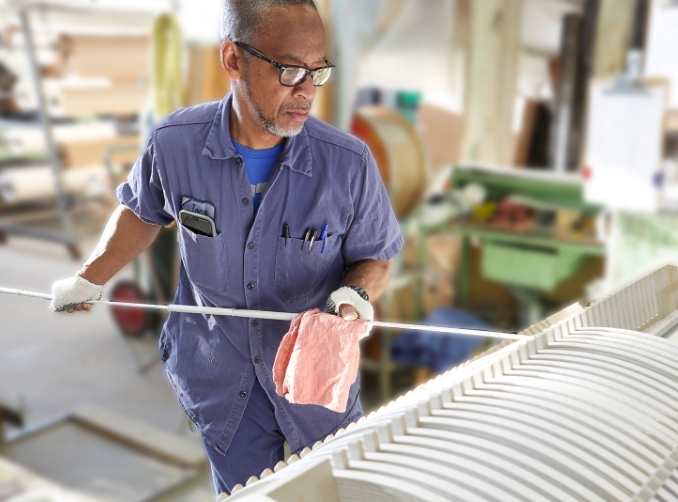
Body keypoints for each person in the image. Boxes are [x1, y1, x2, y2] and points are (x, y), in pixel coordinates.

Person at [49, 0, 403, 495]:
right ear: (233, 59)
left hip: (315, 375)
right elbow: (142, 212)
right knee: (244, 494)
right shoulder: (174, 146)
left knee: (329, 490)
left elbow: (377, 255)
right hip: (219, 372)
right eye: (291, 71)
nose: (306, 93)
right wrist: (90, 277)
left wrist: (355, 295)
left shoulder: (348, 164)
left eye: (317, 73)